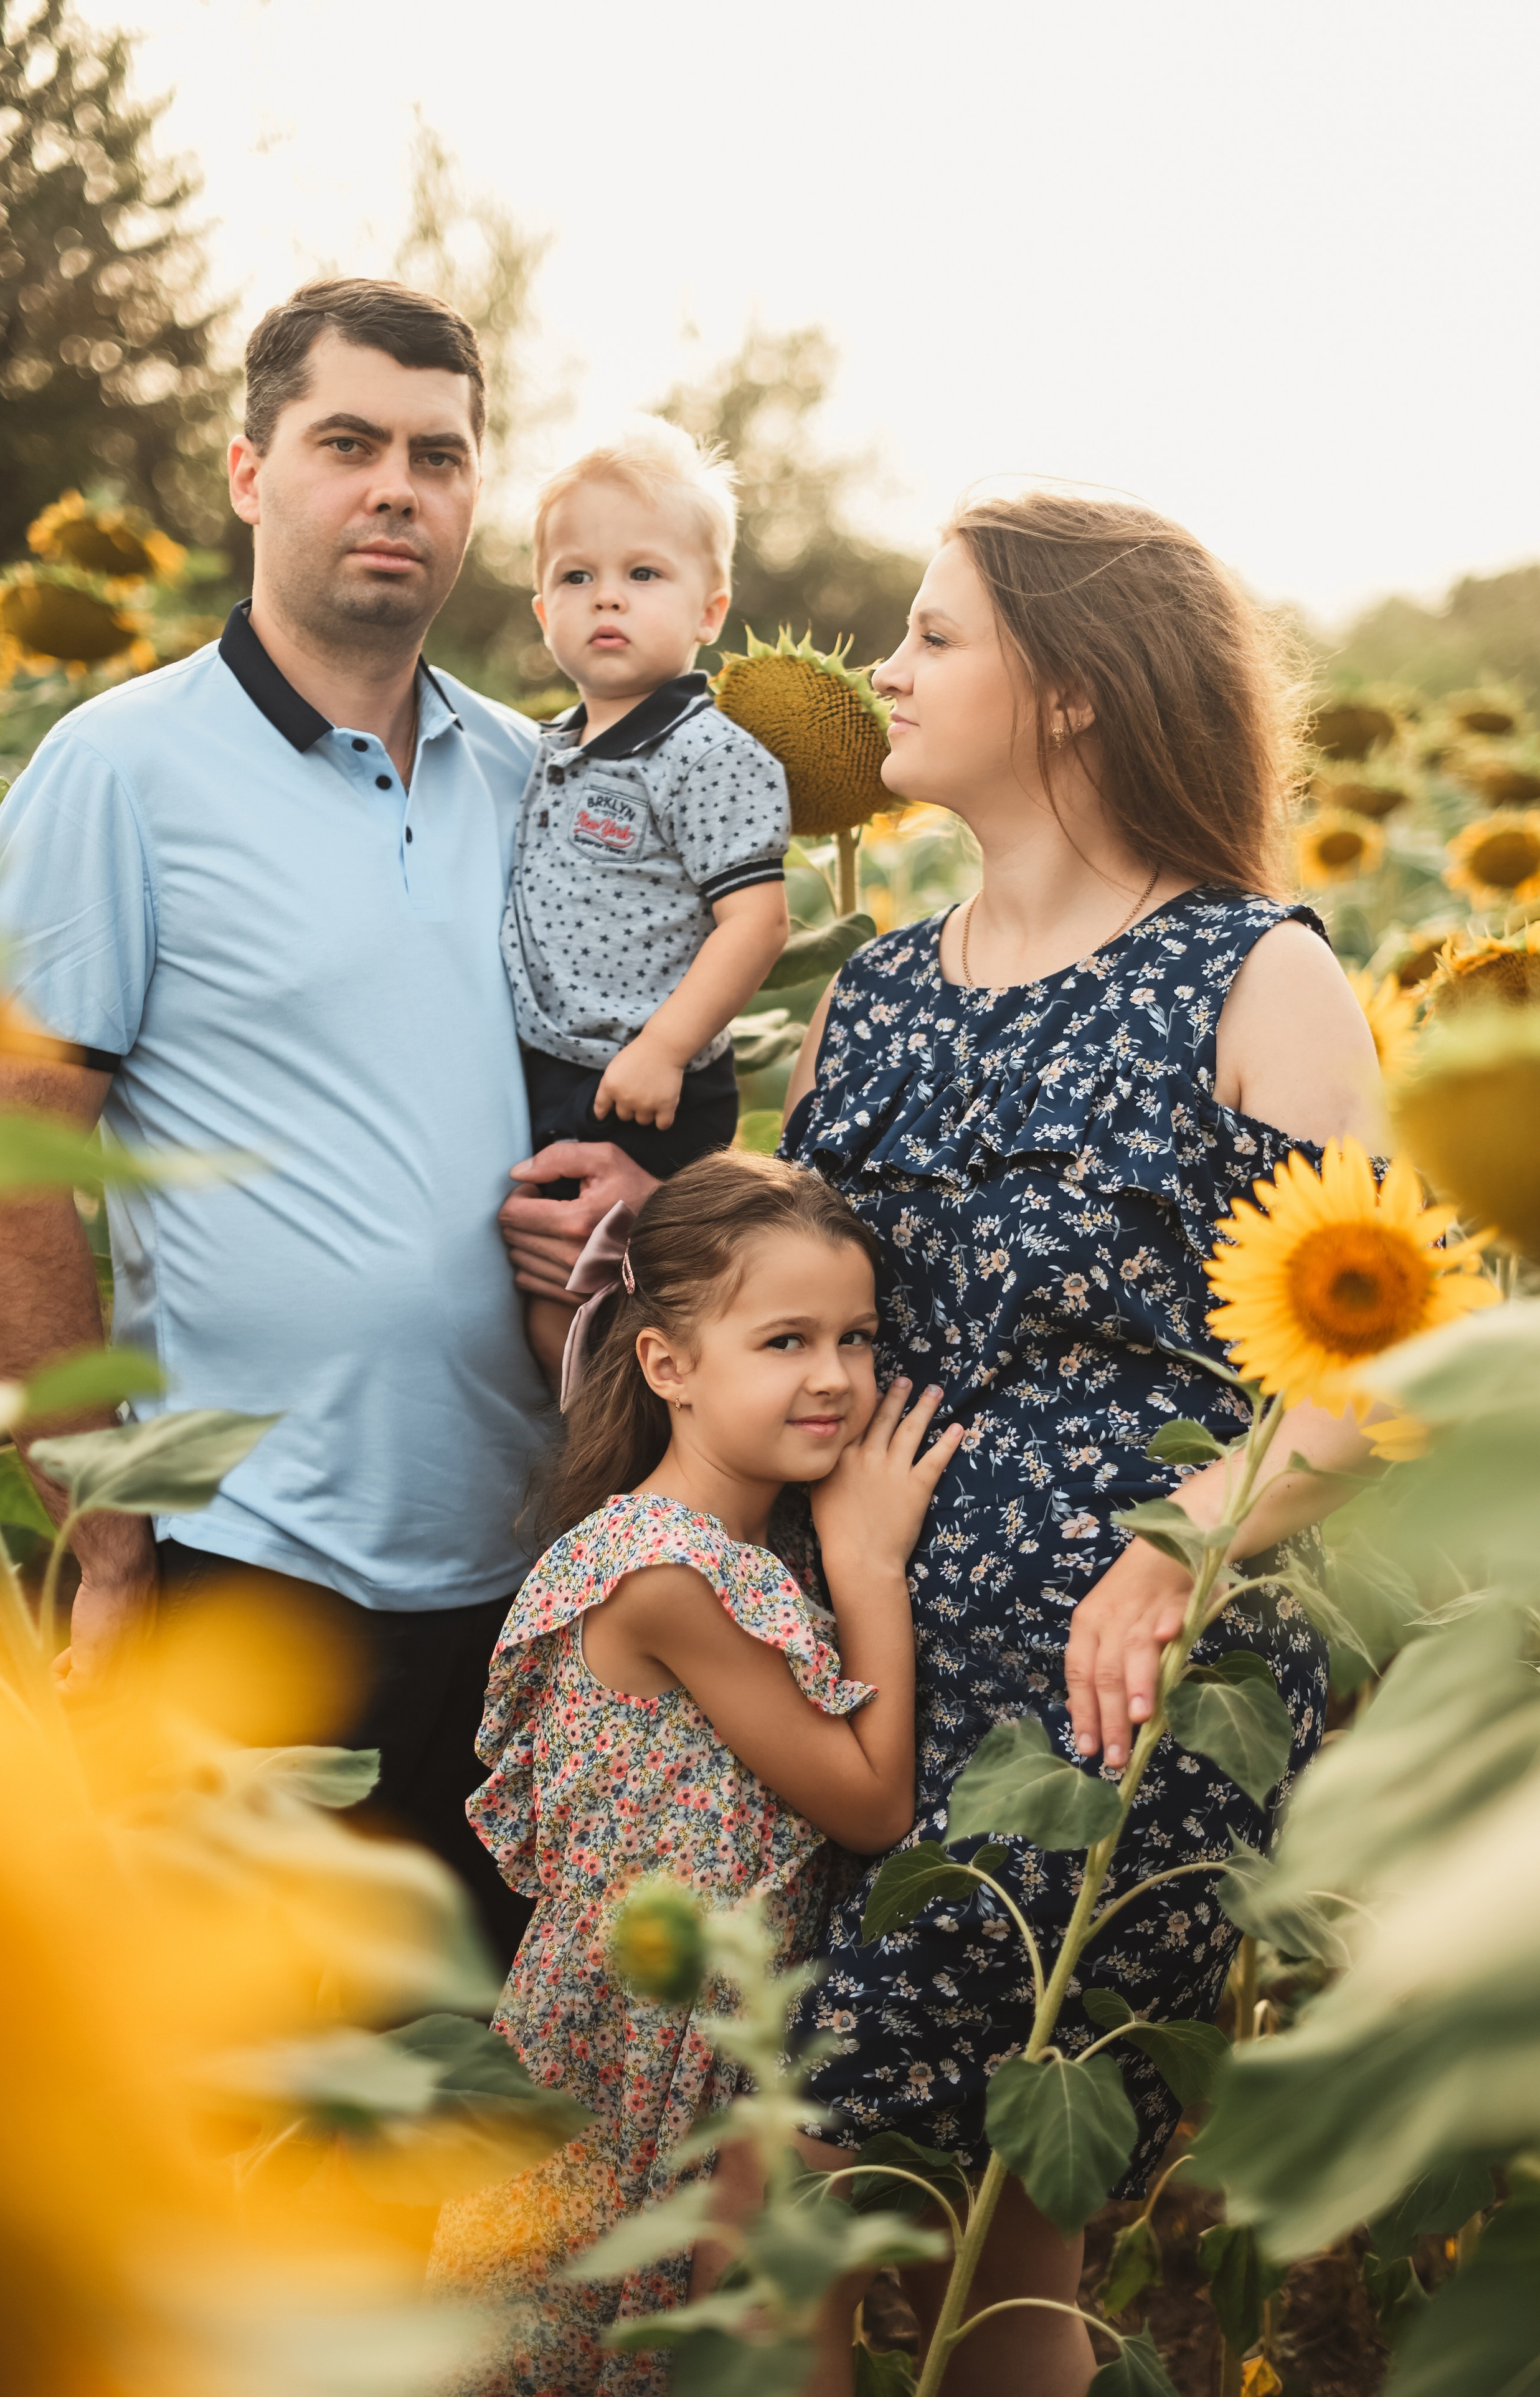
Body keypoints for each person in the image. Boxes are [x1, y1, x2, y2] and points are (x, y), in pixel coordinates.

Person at [769, 493, 1386, 2394]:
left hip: (1115, 1684)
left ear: (1077, 696)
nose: (886, 668)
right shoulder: (867, 988)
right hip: (849, 1648)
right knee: (889, 2190)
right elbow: (778, 1310)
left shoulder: (1254, 975)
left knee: (880, 2166)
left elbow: (1354, 1380)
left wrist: (1171, 1550)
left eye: (937, 634)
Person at [0, 277, 555, 1959]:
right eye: (348, 442)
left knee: (481, 2128)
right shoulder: (121, 770)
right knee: (273, 2107)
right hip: (251, 1569)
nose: (396, 489)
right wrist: (108, 1531)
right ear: (247, 473)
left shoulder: (538, 781)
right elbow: (8, 1163)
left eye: (439, 456)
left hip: (527, 1574)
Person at [428, 1149, 961, 2395]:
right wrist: (871, 1563)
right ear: (666, 1365)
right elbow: (872, 1799)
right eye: (782, 1341)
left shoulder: (739, 1541)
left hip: (706, 2020)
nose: (833, 1376)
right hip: (639, 2038)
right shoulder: (669, 1572)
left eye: (856, 1335)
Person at [501, 417, 791, 1367]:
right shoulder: (545, 751)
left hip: (645, 1085)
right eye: (576, 578)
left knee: (640, 1309)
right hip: (556, 1067)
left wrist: (664, 1049)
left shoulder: (705, 754)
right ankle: (581, 1473)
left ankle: (629, 1483)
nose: (606, 599)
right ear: (543, 612)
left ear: (709, 611)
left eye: (643, 575)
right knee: (550, 1302)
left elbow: (756, 921)